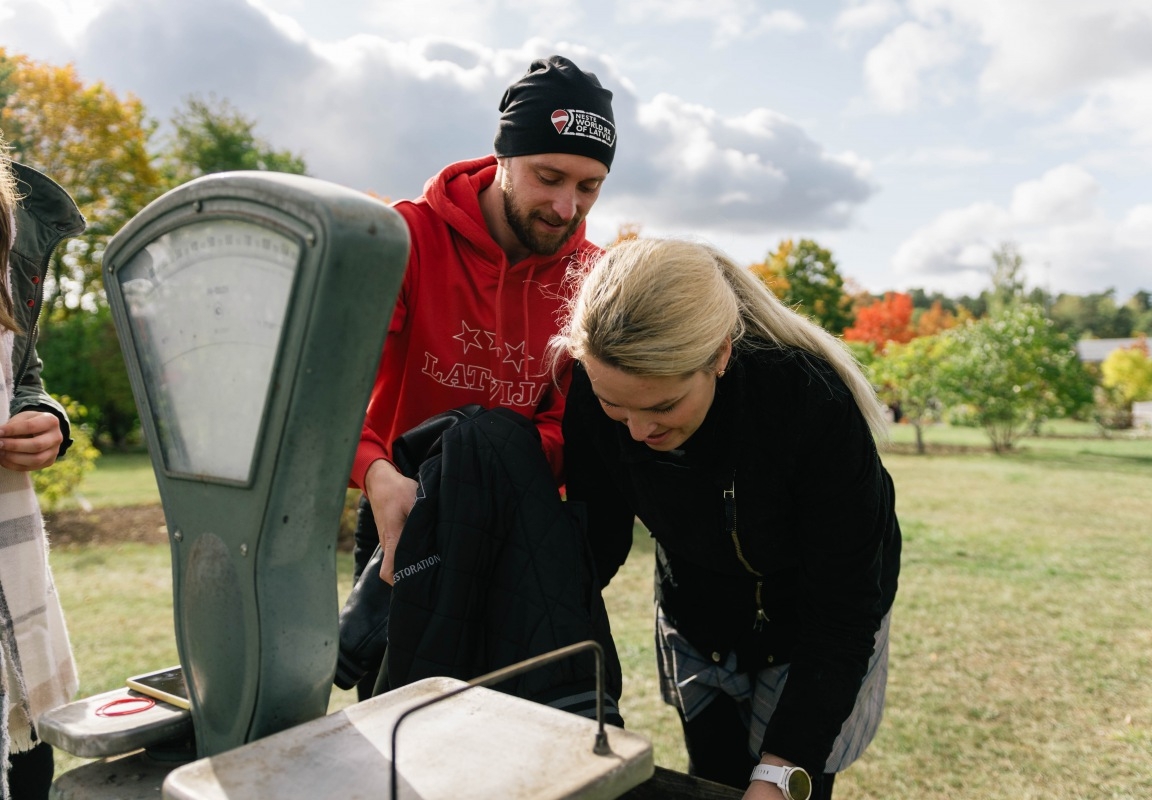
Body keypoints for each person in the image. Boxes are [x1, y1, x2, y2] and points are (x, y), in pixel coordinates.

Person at [553, 238, 902, 800]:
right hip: (698, 613)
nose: (639, 433)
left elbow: (841, 610)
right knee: (713, 777)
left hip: (813, 626)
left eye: (664, 406)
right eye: (616, 406)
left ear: (719, 354)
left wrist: (782, 770)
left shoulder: (808, 404)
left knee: (786, 785)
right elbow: (598, 538)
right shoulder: (589, 391)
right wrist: (534, 623)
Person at [343, 55, 616, 695]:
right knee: (402, 728)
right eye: (548, 176)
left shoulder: (596, 278)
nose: (565, 206)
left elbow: (566, 423)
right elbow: (334, 395)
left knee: (523, 736)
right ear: (502, 158)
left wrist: (482, 467)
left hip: (520, 523)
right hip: (400, 510)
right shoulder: (405, 239)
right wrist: (377, 475)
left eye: (590, 186)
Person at [0, 139, 83, 798]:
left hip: (9, 619)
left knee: (27, 771)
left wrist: (44, 416)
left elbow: (21, 372)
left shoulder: (16, 216)